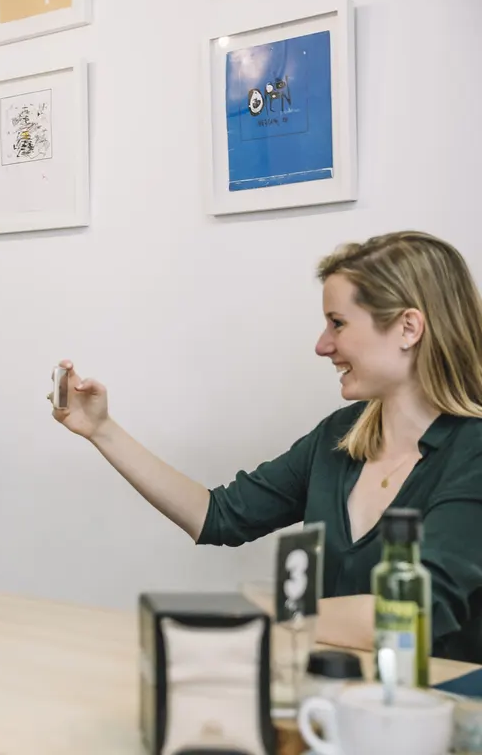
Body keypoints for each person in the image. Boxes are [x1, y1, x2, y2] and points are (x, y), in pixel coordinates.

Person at [50, 231, 482, 663]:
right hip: (333, 694)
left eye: (338, 323)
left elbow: (413, 611)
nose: (322, 345)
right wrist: (101, 429)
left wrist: (269, 609)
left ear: (408, 328)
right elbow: (218, 516)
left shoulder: (473, 451)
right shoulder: (339, 436)